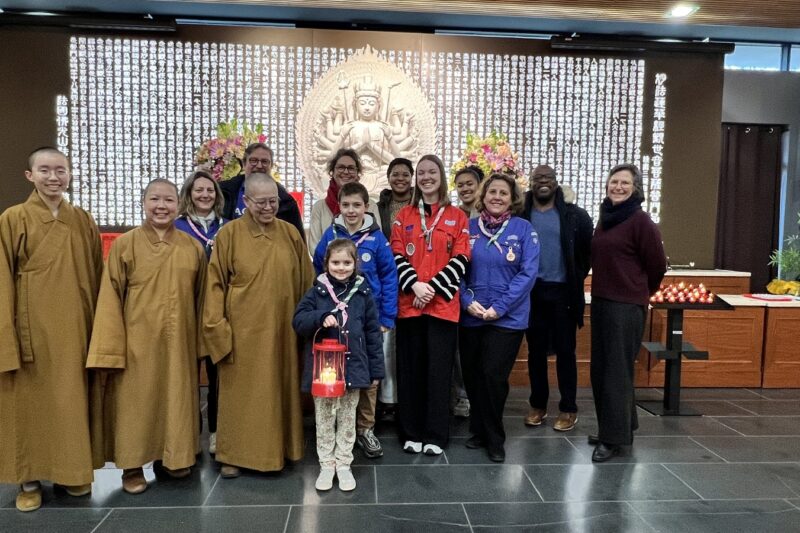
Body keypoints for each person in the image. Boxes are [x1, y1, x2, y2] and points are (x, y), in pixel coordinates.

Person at [87, 178, 206, 494]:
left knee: (176, 399)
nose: (162, 206)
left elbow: (201, 298)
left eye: (169, 200)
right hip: (136, 339)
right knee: (135, 403)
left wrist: (200, 342)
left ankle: (174, 457)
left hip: (179, 339)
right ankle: (132, 466)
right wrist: (112, 346)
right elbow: (110, 296)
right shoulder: (126, 245)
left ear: (179, 205)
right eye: (155, 199)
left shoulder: (192, 248)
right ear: (144, 203)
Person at [0, 147, 103, 512]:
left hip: (76, 326)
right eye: (45, 171)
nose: (53, 177)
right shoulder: (13, 219)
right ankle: (29, 479)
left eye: (60, 170)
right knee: (31, 405)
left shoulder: (83, 220)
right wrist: (7, 336)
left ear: (70, 174)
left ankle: (70, 471)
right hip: (32, 327)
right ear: (31, 176)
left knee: (70, 401)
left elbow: (96, 277)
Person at [204, 172, 314, 478]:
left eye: (273, 202)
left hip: (283, 334)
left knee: (280, 393)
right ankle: (234, 455)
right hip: (242, 336)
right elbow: (213, 287)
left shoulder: (290, 234)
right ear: (246, 201)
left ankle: (283, 449)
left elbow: (307, 282)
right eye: (261, 202)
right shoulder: (229, 235)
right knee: (241, 398)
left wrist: (309, 323)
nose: (268, 208)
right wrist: (217, 330)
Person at [391, 154, 470, 455]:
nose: (426, 177)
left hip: (442, 307)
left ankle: (436, 434)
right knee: (410, 370)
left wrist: (431, 288)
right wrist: (414, 285)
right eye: (421, 172)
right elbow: (397, 254)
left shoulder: (457, 216)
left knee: (439, 372)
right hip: (410, 305)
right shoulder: (404, 216)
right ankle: (411, 431)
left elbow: (461, 258)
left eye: (432, 172)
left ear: (441, 177)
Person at [313, 182, 397, 459]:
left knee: (370, 374)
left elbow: (389, 276)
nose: (351, 210)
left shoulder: (377, 238)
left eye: (356, 205)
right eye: (346, 205)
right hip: (336, 321)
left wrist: (386, 315)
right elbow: (318, 269)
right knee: (339, 370)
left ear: (366, 207)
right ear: (339, 206)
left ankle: (365, 428)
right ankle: (339, 426)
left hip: (368, 318)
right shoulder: (331, 234)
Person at [589, 163, 667, 462]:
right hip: (603, 301)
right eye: (614, 182)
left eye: (625, 183)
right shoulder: (606, 218)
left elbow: (657, 265)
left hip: (626, 307)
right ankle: (620, 426)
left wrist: (638, 292)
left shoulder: (641, 221)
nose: (618, 187)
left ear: (636, 188)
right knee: (602, 369)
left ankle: (613, 439)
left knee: (615, 373)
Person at [459, 173, 539, 462]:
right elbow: (456, 271)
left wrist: (500, 307)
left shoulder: (523, 229)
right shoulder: (467, 228)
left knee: (493, 377)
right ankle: (478, 429)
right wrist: (467, 302)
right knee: (473, 376)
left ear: (512, 198)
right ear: (483, 195)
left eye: (503, 193)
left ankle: (495, 438)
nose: (497, 197)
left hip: (507, 319)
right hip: (471, 316)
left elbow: (528, 273)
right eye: (492, 191)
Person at [294, 239, 385, 491]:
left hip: (353, 370)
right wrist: (320, 317)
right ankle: (326, 464)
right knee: (324, 418)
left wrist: (376, 370)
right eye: (336, 262)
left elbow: (372, 335)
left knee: (347, 417)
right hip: (324, 373)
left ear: (356, 264)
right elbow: (298, 321)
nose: (341, 267)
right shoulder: (317, 292)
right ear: (326, 264)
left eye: (347, 262)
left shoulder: (363, 293)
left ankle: (344, 464)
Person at [523, 165, 593, 432]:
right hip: (532, 293)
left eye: (548, 178)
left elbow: (587, 252)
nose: (543, 182)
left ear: (555, 183)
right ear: (531, 183)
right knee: (535, 352)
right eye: (538, 178)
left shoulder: (574, 216)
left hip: (563, 292)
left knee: (566, 352)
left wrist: (575, 275)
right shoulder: (522, 213)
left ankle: (568, 408)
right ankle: (538, 404)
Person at [175, 170, 227, 454]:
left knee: (219, 372)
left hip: (219, 309)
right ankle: (189, 434)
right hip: (188, 308)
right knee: (186, 372)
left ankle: (218, 431)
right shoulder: (176, 227)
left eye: (210, 190)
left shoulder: (229, 226)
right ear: (189, 194)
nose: (205, 195)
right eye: (199, 190)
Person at [375, 157, 414, 420]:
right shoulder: (379, 206)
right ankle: (388, 399)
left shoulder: (422, 204)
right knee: (388, 340)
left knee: (409, 340)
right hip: (388, 277)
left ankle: (409, 397)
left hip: (418, 279)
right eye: (395, 174)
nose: (399, 178)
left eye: (404, 174)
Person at [451, 165, 485, 419]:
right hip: (458, 290)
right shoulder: (453, 215)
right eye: (460, 184)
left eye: (469, 183)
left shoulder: (490, 214)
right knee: (461, 351)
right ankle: (463, 396)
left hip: (488, 292)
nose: (465, 188)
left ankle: (484, 396)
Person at [218, 142, 305, 239]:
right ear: (244, 164)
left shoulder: (286, 202)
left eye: (264, 161)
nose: (259, 166)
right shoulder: (223, 192)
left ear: (271, 166)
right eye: (253, 160)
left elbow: (298, 242)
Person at [308, 148, 383, 253]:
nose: (346, 172)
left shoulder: (370, 205)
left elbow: (377, 243)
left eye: (351, 168)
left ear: (358, 173)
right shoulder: (319, 207)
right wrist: (337, 265)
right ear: (332, 172)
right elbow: (314, 247)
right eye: (341, 167)